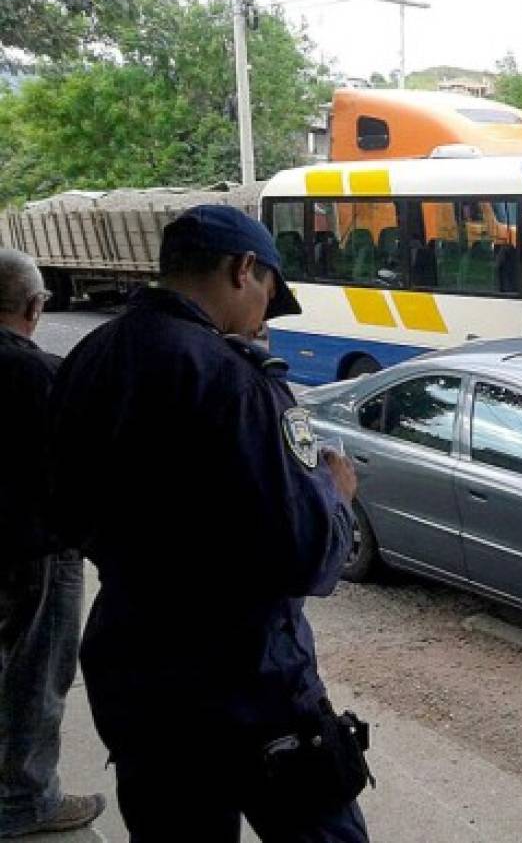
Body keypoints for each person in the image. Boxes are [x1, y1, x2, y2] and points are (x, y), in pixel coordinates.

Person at [46, 207, 369, 841]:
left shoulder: (89, 358)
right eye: (269, 298)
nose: (263, 320)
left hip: (136, 671)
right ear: (244, 268)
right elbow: (309, 556)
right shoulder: (234, 380)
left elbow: (58, 511)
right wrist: (334, 493)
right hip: (248, 683)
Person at [0, 250, 106, 838]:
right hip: (38, 551)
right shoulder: (41, 374)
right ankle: (28, 799)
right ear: (35, 306)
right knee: (39, 673)